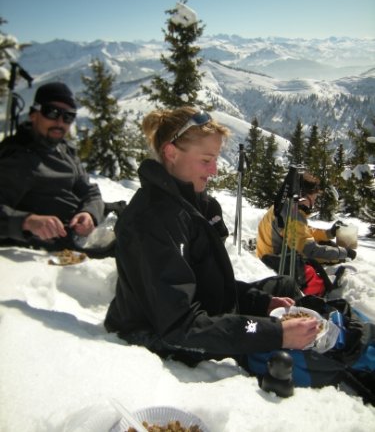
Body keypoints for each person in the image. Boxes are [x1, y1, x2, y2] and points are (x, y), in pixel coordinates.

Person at [105, 106, 348, 386]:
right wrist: (275, 332)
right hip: (159, 337)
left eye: (216, 159)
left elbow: (202, 284)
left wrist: (260, 302)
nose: (215, 170)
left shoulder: (191, 203)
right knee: (295, 351)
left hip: (196, 318)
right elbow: (180, 327)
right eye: (207, 160)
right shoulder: (152, 221)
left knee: (283, 287)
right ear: (171, 153)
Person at [0, 81, 119, 257]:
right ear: (34, 114)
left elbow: (90, 192)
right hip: (59, 245)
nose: (60, 122)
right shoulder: (19, 158)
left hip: (85, 232)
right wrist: (27, 222)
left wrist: (89, 214)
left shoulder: (64, 150)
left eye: (68, 116)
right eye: (52, 112)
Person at [256, 171, 357, 273]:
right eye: (313, 198)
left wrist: (329, 233)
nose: (313, 202)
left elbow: (303, 232)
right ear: (302, 196)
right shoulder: (292, 215)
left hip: (266, 252)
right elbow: (310, 251)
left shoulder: (286, 205)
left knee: (324, 243)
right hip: (274, 260)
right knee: (323, 254)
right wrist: (342, 254)